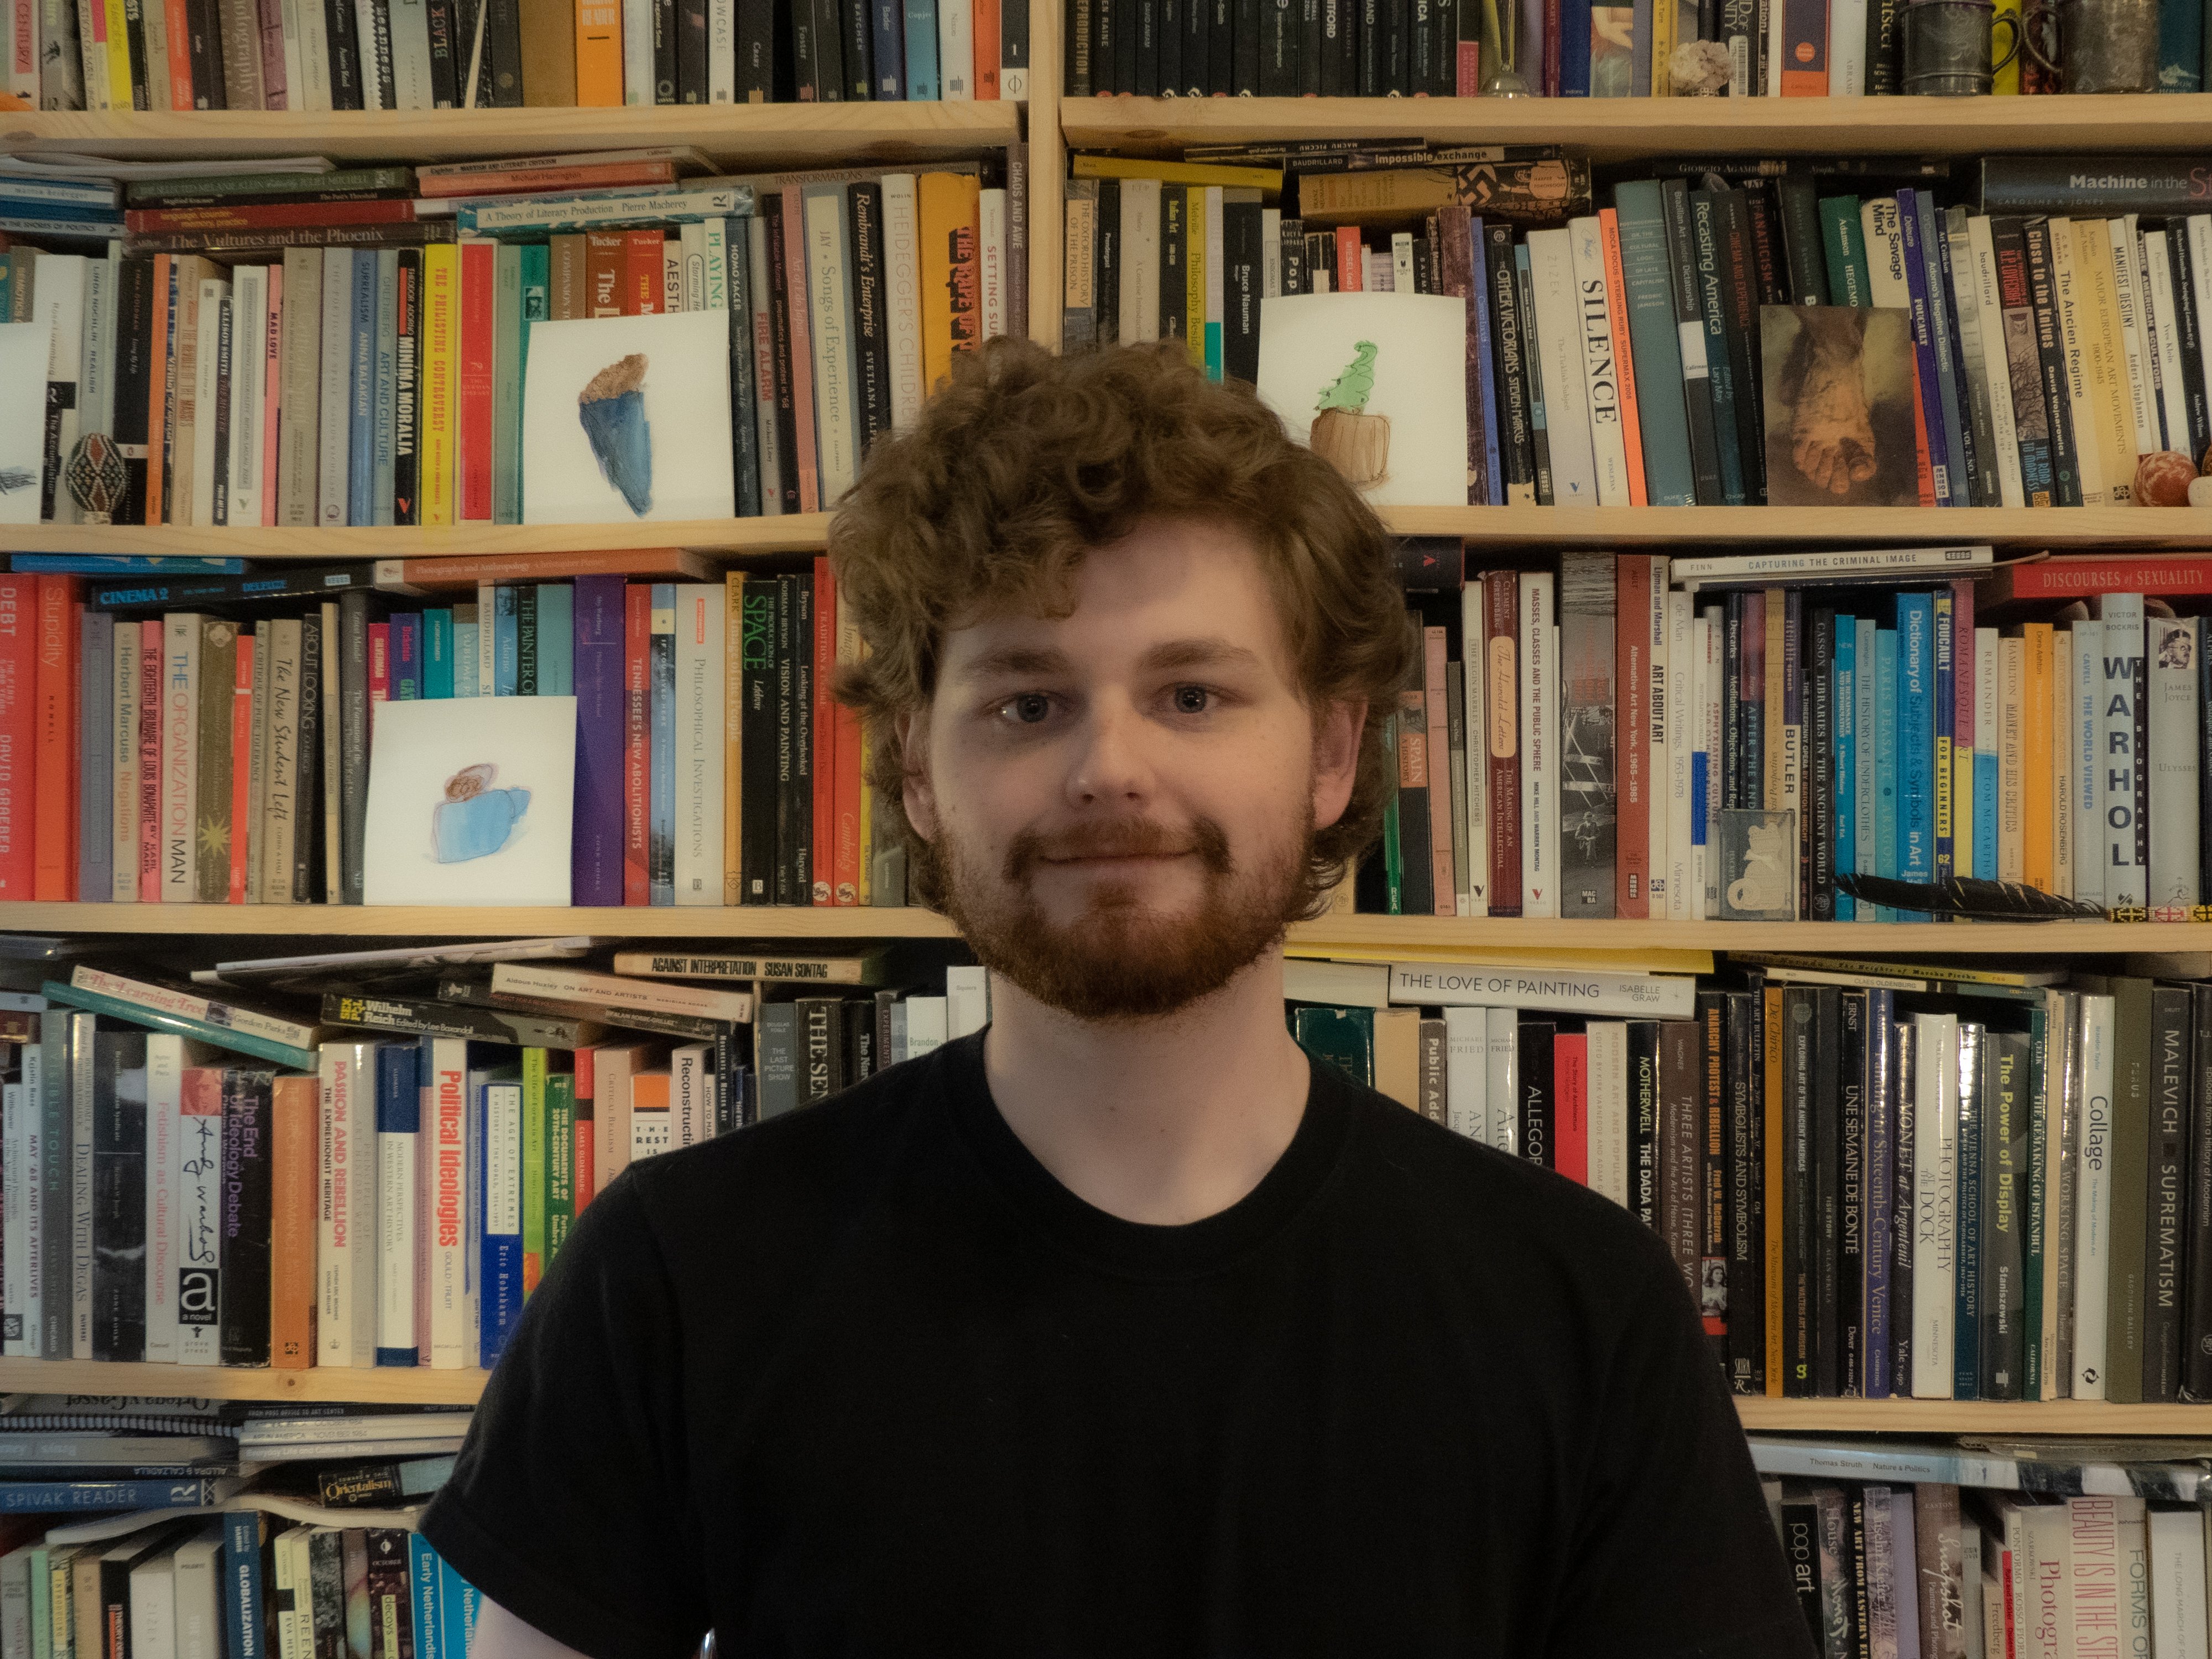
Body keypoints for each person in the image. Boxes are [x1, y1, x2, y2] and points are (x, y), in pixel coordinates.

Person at [419, 338, 1816, 1659]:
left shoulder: (1578, 1309)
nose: (1111, 769)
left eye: (1193, 695)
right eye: (1027, 703)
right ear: (917, 770)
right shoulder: (673, 1275)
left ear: (1331, 754)